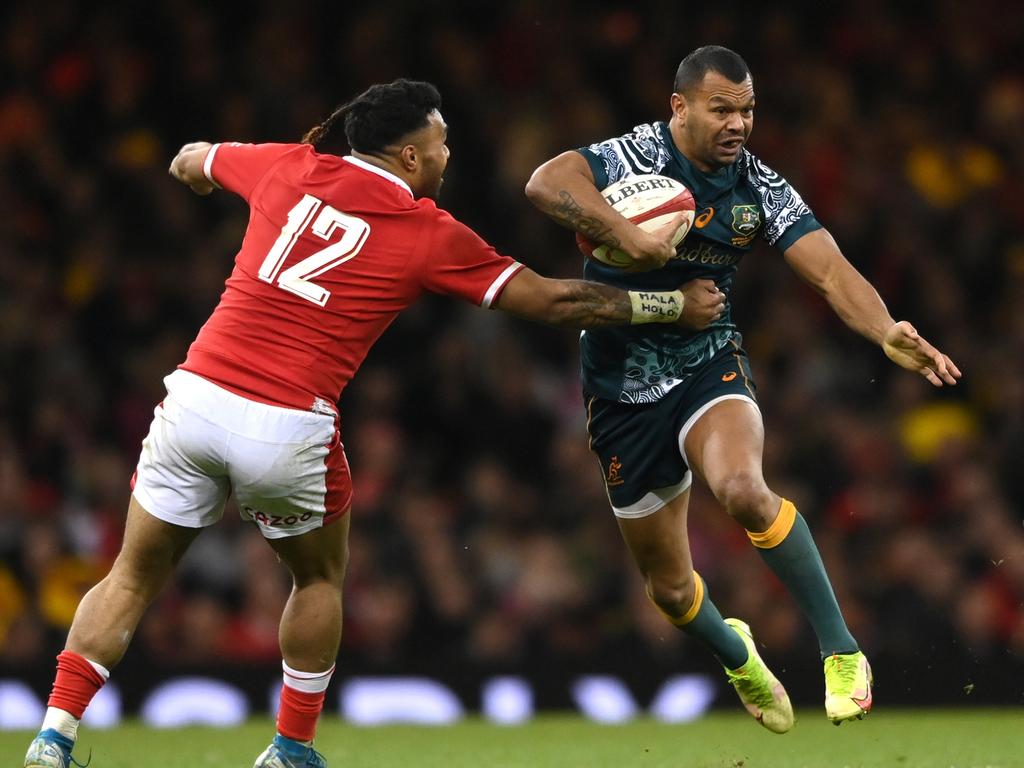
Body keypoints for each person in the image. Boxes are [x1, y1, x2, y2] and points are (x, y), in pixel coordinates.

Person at [23, 79, 724, 768]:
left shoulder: (288, 164)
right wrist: (667, 308)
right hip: (287, 422)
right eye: (442, 143)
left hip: (197, 396)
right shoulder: (425, 231)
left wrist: (200, 170)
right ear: (410, 158)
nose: (450, 156)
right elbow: (551, 302)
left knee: (131, 577)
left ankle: (52, 737)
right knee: (319, 580)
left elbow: (191, 157)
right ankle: (290, 749)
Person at [525, 45, 960, 732]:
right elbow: (546, 183)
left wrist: (883, 332)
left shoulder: (758, 186)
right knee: (669, 591)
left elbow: (831, 273)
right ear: (680, 106)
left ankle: (841, 651)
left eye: (748, 110)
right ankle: (739, 655)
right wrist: (625, 238)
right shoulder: (635, 156)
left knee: (742, 488)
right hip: (619, 389)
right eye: (721, 108)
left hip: (708, 362)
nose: (737, 124)